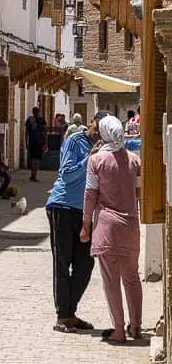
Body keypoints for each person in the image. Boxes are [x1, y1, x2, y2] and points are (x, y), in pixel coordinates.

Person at [46, 110, 109, 333]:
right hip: (63, 208)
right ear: (91, 123)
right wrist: (89, 158)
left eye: (103, 131)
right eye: (97, 128)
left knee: (85, 265)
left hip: (86, 214)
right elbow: (66, 174)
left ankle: (69, 312)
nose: (99, 134)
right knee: (62, 264)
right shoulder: (75, 140)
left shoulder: (106, 147)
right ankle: (63, 316)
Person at [81, 116, 142, 345]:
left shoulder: (96, 160)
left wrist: (86, 225)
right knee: (132, 278)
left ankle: (118, 330)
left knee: (111, 280)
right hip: (131, 227)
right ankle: (136, 326)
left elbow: (90, 194)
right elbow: (138, 192)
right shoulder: (134, 160)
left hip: (107, 227)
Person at [25, 107, 47, 182]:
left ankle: (33, 174)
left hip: (33, 142)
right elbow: (45, 132)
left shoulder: (30, 120)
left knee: (33, 159)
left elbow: (26, 132)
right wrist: (45, 143)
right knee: (36, 159)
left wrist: (26, 142)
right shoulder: (41, 120)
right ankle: (34, 175)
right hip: (38, 142)